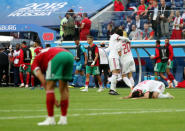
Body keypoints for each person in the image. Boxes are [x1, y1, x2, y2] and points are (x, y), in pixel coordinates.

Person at [31, 47, 74, 126]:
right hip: (69, 56)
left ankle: (51, 119)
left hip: (57, 57)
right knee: (64, 89)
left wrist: (54, 100)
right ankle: (63, 119)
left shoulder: (35, 62)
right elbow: (64, 87)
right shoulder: (46, 52)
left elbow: (44, 82)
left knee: (50, 87)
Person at [107, 28, 130, 95]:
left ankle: (112, 89)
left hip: (114, 57)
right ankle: (112, 89)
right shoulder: (114, 36)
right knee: (115, 73)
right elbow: (123, 39)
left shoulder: (115, 41)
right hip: (114, 57)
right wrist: (128, 40)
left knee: (116, 73)